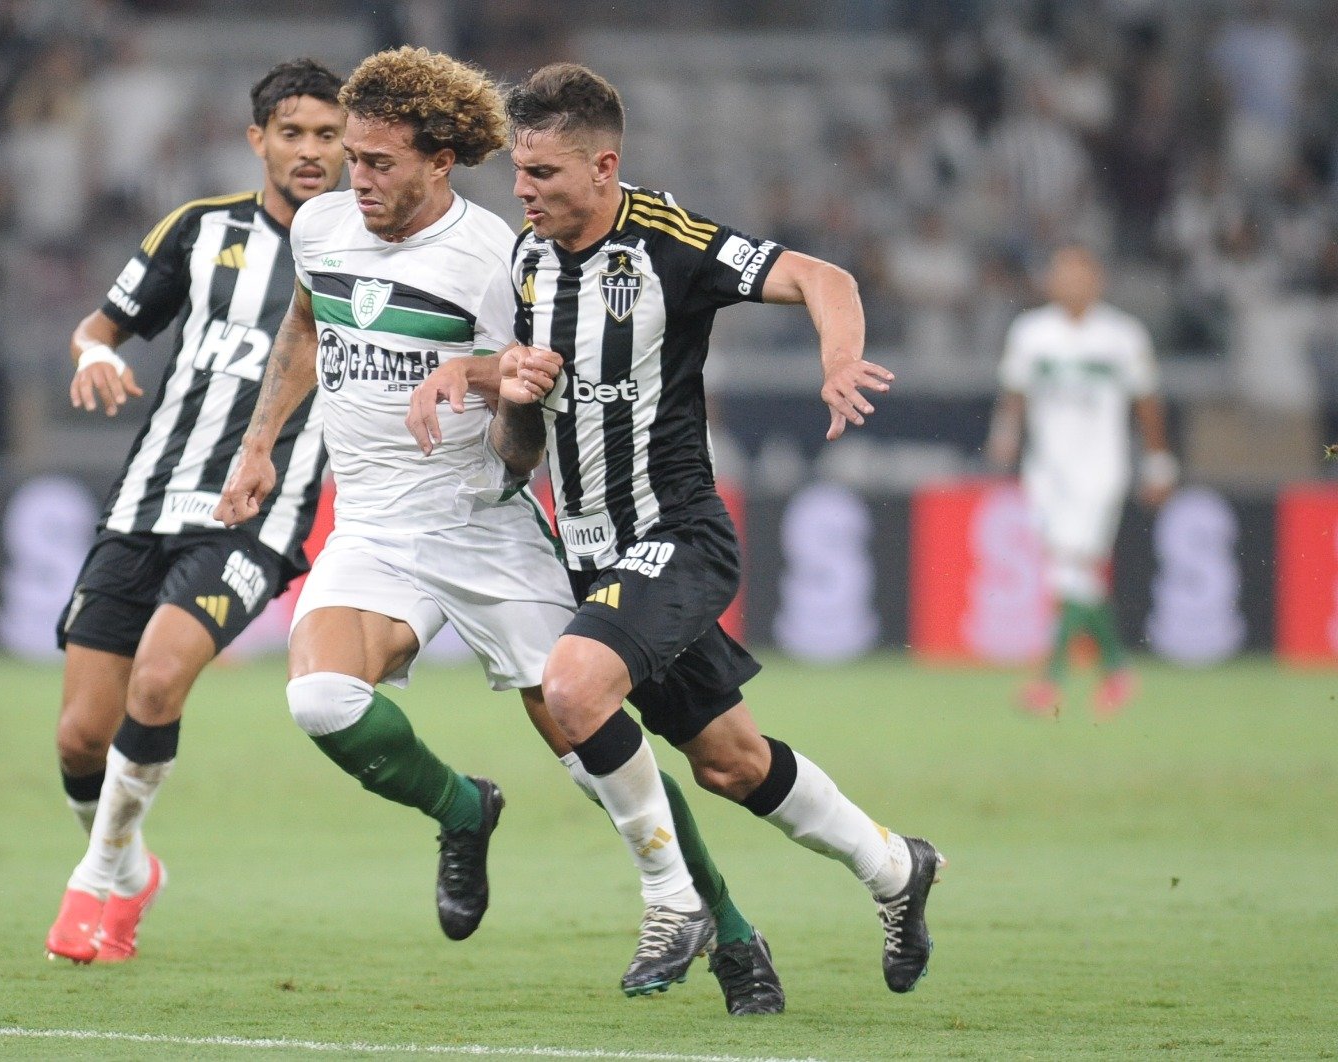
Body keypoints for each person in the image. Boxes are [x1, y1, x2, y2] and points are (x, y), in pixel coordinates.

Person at [216, 48, 783, 1015]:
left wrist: (499, 414)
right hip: (373, 527)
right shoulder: (320, 227)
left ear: (441, 161)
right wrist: (260, 442)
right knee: (319, 701)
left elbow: (541, 392)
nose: (356, 179)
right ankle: (463, 808)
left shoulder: (497, 258)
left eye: (380, 162)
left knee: (593, 745)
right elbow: (307, 325)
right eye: (352, 158)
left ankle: (727, 928)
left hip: (485, 524)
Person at [474, 62, 944, 996]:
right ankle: (897, 866)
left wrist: (838, 360)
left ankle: (673, 900)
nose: (523, 190)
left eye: (544, 173)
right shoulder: (526, 264)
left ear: (604, 166)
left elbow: (822, 276)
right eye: (519, 171)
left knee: (569, 690)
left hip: (678, 534)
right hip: (594, 558)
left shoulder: (668, 242)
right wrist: (516, 396)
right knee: (732, 765)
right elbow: (517, 455)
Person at [44, 59, 347, 965]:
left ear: (350, 145)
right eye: (292, 133)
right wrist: (93, 354)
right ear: (258, 140)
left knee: (158, 679)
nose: (310, 151)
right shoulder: (199, 229)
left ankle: (93, 880)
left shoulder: (368, 252)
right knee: (80, 737)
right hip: (144, 503)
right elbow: (100, 325)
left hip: (255, 519)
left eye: (328, 135)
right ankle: (132, 866)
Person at [986, 245, 1176, 716]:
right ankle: (1116, 669)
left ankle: (1051, 679)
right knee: (1072, 575)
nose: (1069, 283)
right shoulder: (1031, 331)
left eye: (1078, 275)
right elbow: (1015, 392)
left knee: (1072, 571)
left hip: (1100, 469)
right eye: (1061, 274)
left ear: (1097, 281)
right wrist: (1005, 436)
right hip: (1047, 470)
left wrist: (1158, 462)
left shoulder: (1122, 335)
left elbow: (1146, 401)